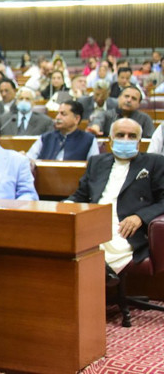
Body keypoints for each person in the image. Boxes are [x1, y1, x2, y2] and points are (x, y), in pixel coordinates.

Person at [67, 118, 164, 279]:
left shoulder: (155, 162)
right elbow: (81, 195)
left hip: (126, 226)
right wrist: (64, 206)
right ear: (110, 140)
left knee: (89, 249)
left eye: (132, 136)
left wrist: (140, 217)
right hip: (93, 220)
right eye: (120, 135)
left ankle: (98, 274)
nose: (126, 140)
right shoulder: (96, 162)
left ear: (139, 142)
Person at [26, 101, 99, 161]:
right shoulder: (45, 138)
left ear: (77, 119)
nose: (57, 117)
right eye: (58, 113)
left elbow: (94, 168)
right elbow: (29, 159)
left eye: (63, 114)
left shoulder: (89, 140)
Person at [89, 86, 154, 138]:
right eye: (126, 96)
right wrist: (95, 128)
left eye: (133, 98)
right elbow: (97, 123)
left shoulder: (145, 119)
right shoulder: (106, 114)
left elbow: (149, 140)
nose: (129, 100)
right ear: (119, 98)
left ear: (138, 104)